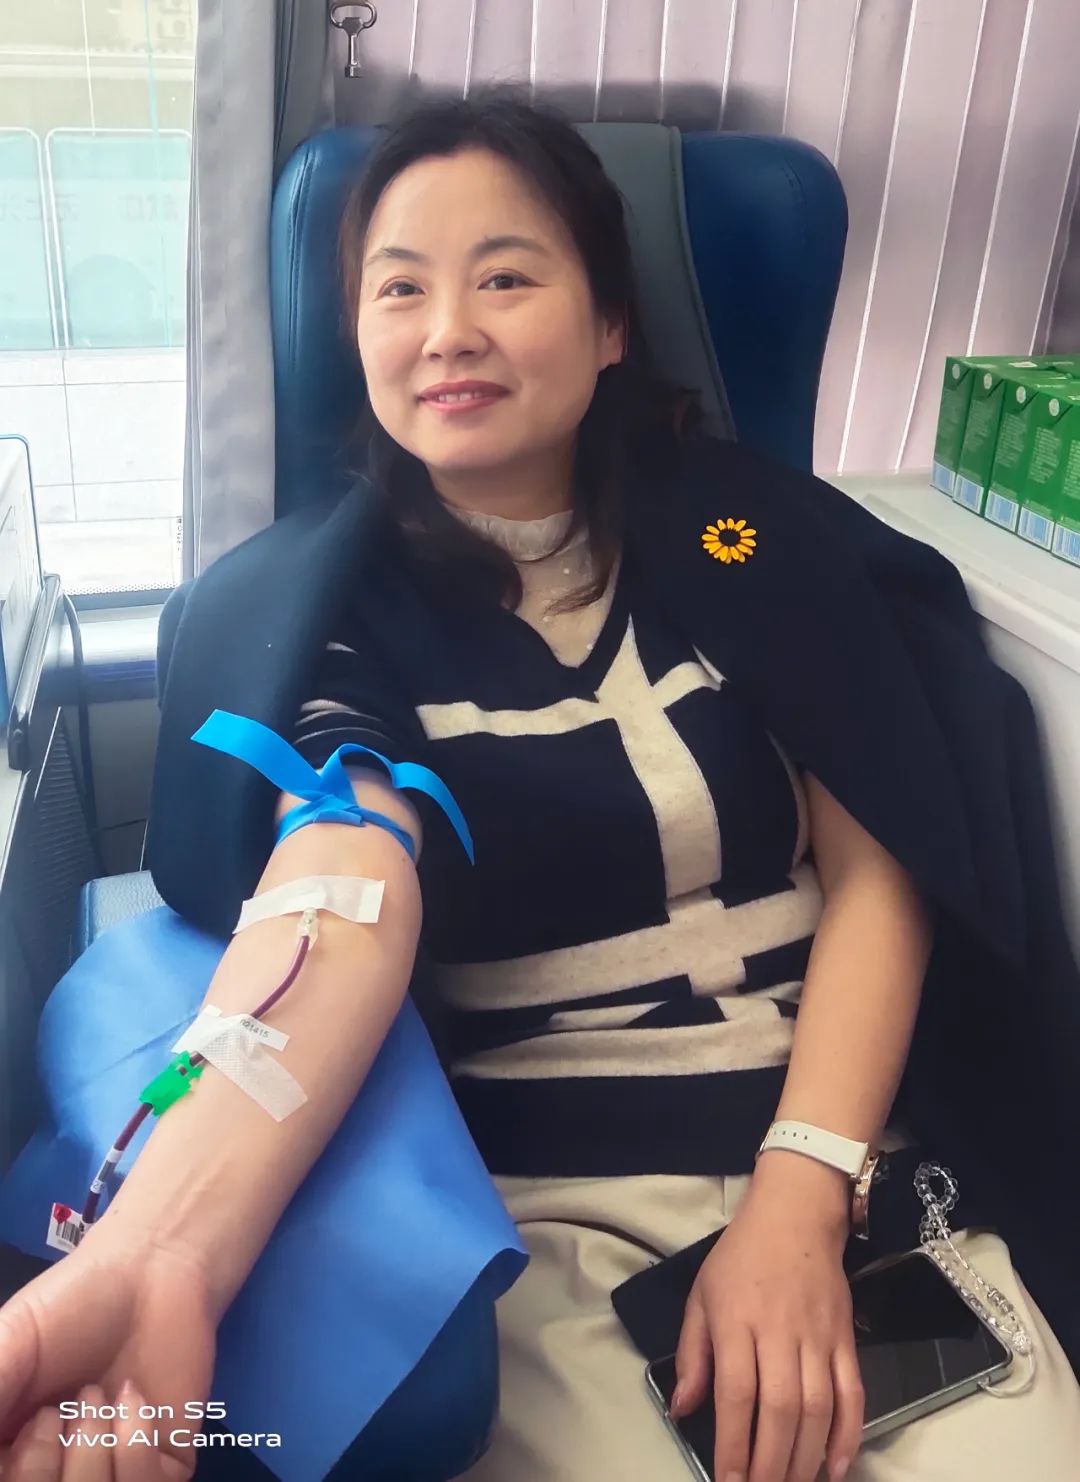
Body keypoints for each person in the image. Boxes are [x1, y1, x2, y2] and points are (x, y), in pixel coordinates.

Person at [2, 92, 1080, 1482]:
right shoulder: (334, 614)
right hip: (555, 1220)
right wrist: (159, 1257)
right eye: (401, 289)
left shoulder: (759, 543)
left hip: (846, 1159)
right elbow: (340, 891)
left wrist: (804, 1193)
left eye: (506, 278)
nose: (448, 329)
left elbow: (885, 866)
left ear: (611, 322)